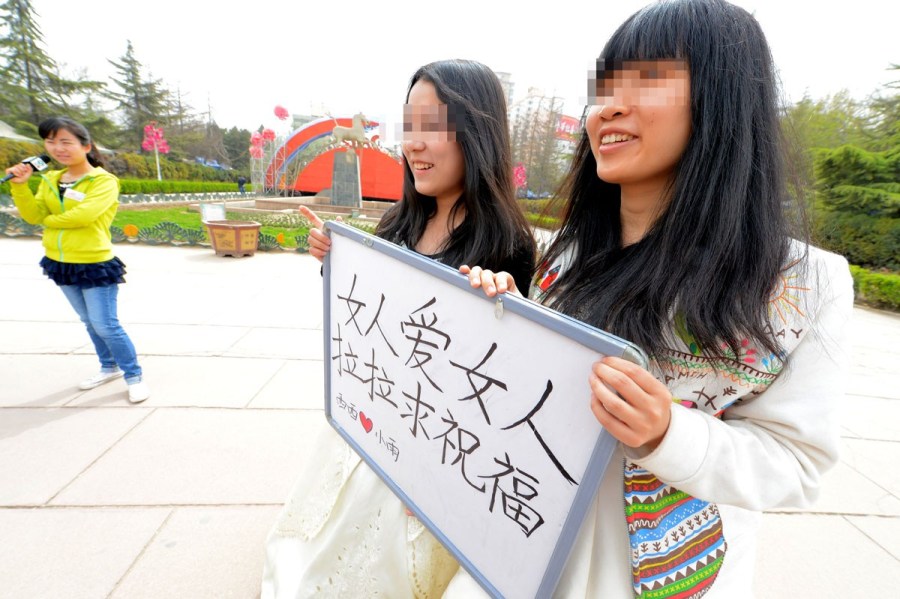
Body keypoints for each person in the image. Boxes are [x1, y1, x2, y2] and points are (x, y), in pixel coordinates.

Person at [453, 0, 854, 597]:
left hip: (660, 570)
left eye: (648, 79)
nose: (608, 107)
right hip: (528, 537)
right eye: (604, 85)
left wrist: (669, 433)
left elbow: (797, 465)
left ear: (722, 98)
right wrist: (504, 324)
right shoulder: (566, 256)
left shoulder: (802, 283)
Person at [261, 59, 536, 598]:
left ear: (475, 133)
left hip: (436, 447)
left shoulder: (508, 243)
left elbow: (505, 382)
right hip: (376, 414)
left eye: (432, 127)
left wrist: (508, 305)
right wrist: (334, 263)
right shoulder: (398, 222)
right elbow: (372, 319)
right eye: (409, 127)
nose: (413, 144)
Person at [6, 117, 150, 403]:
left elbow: (84, 216)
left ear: (86, 146)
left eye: (65, 142)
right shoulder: (50, 180)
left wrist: (48, 220)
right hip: (60, 262)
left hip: (95, 263)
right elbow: (32, 215)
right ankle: (108, 367)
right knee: (89, 321)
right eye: (50, 142)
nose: (57, 148)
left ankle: (133, 376)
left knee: (106, 324)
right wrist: (21, 186)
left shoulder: (103, 181)